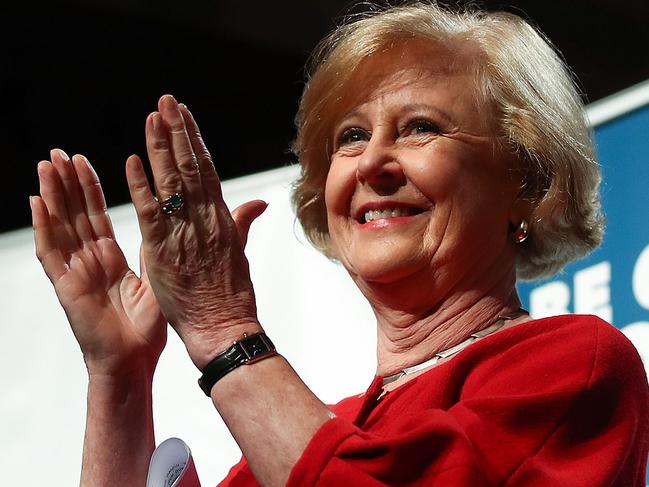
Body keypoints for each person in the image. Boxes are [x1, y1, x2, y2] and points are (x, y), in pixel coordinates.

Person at [31, 3, 649, 486]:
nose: (372, 161)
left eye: (420, 128)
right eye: (351, 136)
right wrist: (119, 374)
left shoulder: (574, 366)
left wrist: (222, 330)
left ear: (527, 181)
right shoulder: (319, 431)